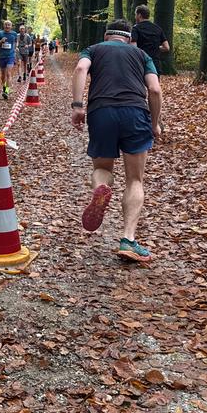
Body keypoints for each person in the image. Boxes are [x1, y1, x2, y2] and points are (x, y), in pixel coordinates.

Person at [70, 18, 162, 263]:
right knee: (135, 179)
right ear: (130, 38)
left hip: (101, 112)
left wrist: (78, 106)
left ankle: (100, 189)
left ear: (106, 36)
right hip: (135, 113)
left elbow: (80, 69)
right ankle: (128, 240)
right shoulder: (142, 54)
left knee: (102, 168)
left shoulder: (93, 49)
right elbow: (154, 90)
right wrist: (154, 123)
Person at [0, 20, 18, 99]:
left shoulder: (14, 34)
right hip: (2, 56)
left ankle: (7, 91)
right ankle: (4, 88)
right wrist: (1, 41)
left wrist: (15, 50)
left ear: (11, 26)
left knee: (8, 73)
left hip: (10, 56)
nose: (7, 26)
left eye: (9, 25)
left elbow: (15, 42)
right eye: (6, 25)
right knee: (3, 75)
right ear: (3, 26)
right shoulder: (0, 34)